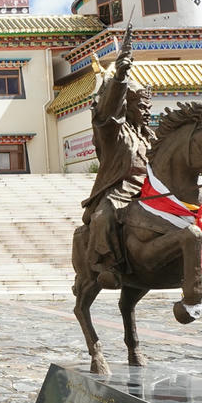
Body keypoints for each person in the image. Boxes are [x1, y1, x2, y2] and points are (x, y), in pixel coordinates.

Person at [81, 30, 154, 287]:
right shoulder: (114, 134)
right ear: (127, 106)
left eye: (148, 106)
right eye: (140, 105)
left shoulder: (150, 137)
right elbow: (109, 112)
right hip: (120, 191)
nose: (146, 110)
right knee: (103, 216)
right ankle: (107, 263)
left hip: (152, 191)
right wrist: (121, 76)